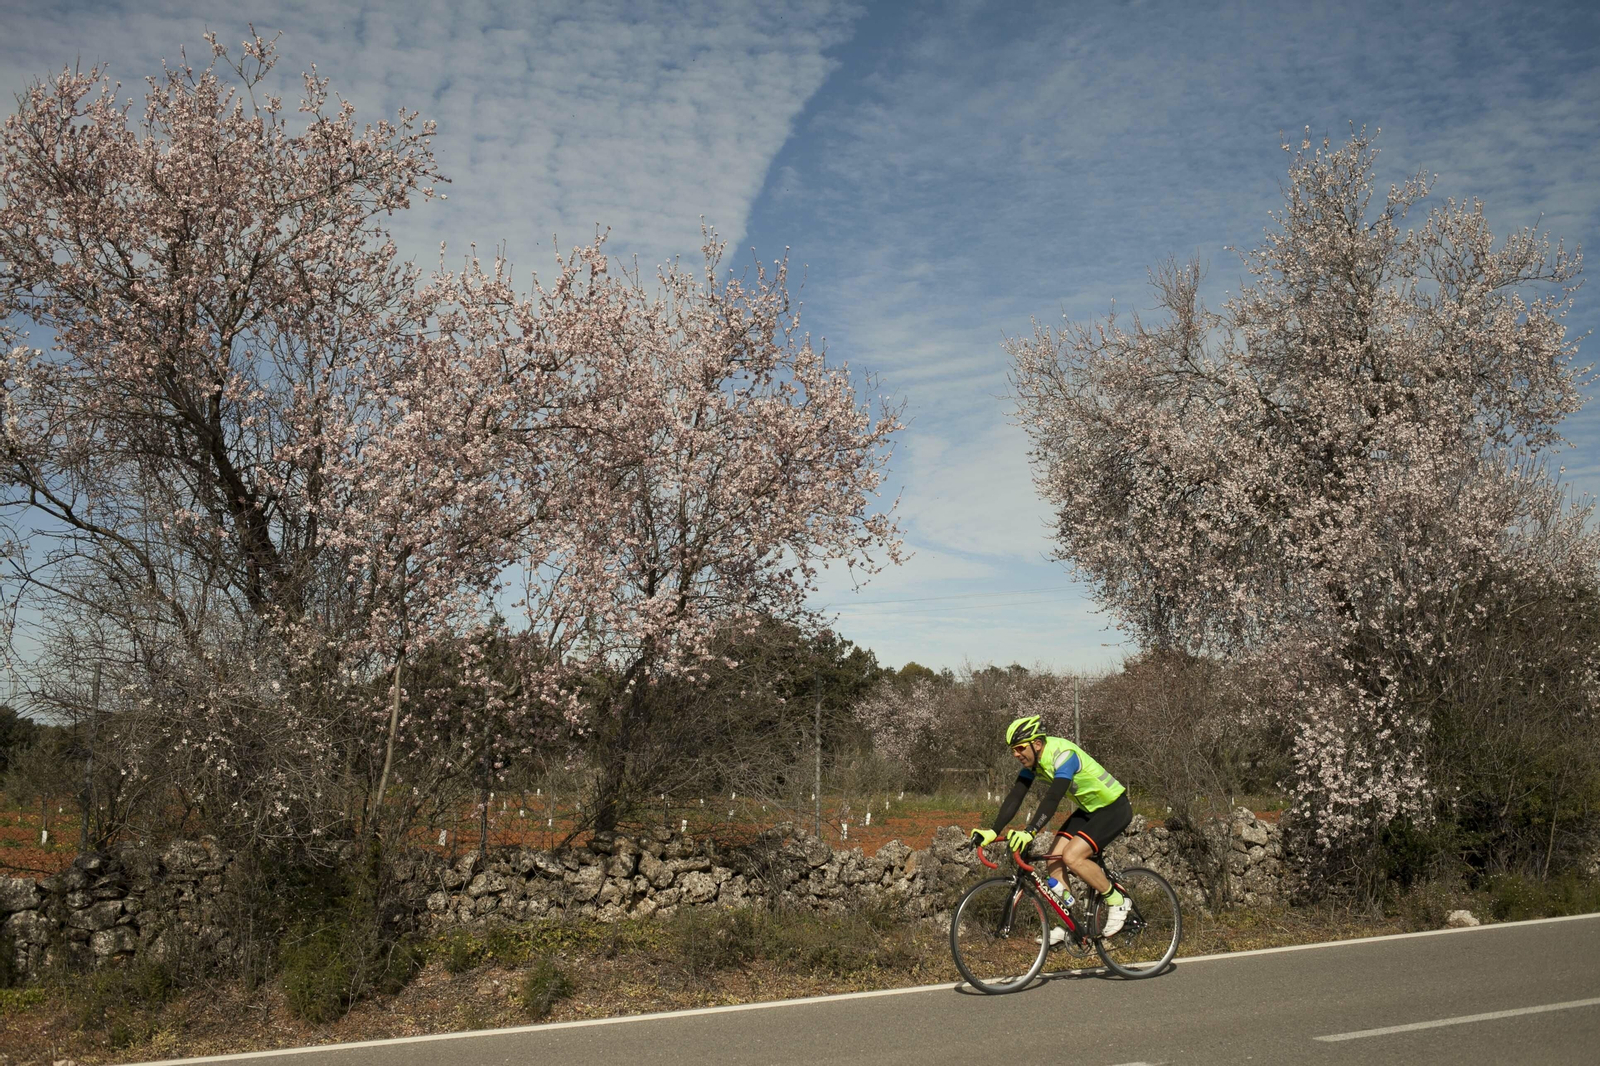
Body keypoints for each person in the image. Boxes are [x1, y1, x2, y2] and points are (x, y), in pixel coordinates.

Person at [968, 715, 1133, 941]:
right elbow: (1016, 795)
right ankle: (1072, 926)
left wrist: (1030, 831)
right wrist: (993, 831)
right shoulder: (1034, 763)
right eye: (1012, 750)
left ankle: (1117, 900)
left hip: (1113, 807)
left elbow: (1053, 797)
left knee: (1072, 857)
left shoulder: (1064, 755)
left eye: (1019, 748)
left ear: (1037, 744)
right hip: (1089, 809)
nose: (1016, 754)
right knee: (1053, 860)